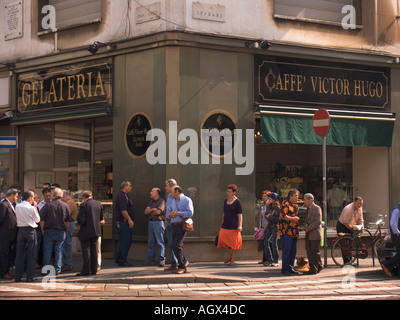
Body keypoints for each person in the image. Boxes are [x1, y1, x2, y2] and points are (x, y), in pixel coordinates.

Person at [39, 188, 71, 275]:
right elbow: (68, 220)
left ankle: (46, 269)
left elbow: (41, 220)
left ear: (53, 195)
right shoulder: (65, 205)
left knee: (47, 250)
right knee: (59, 250)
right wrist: (66, 229)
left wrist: (42, 230)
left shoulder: (48, 205)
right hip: (61, 230)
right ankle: (57, 269)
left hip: (49, 230)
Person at [76, 190, 104, 276]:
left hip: (86, 230)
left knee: (86, 250)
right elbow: (100, 218)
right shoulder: (98, 204)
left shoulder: (84, 204)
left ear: (84, 198)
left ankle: (86, 270)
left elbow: (80, 218)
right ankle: (94, 269)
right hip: (96, 230)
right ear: (91, 196)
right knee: (94, 250)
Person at [14, 191, 41, 282]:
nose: (33, 199)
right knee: (31, 254)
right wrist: (35, 208)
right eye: (33, 197)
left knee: (19, 254)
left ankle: (17, 276)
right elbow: (37, 220)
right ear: (30, 198)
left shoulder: (18, 206)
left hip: (21, 230)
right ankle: (29, 276)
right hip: (30, 230)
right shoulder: (31, 208)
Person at [169, 186, 194, 274]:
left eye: (171, 191)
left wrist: (178, 213)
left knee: (177, 245)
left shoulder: (187, 200)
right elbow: (171, 212)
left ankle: (182, 266)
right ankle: (183, 261)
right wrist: (171, 214)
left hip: (181, 225)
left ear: (177, 191)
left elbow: (190, 212)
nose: (170, 193)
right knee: (174, 245)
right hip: (173, 224)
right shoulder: (172, 201)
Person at [217, 184, 243, 266]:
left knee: (234, 243)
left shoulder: (238, 202)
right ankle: (229, 255)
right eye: (227, 191)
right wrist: (222, 221)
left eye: (229, 191)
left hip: (234, 224)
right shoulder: (226, 201)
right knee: (221, 240)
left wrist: (240, 225)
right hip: (226, 224)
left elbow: (240, 214)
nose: (227, 193)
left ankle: (233, 259)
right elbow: (224, 212)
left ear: (234, 192)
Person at [278, 188, 300, 276]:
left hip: (293, 231)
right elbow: (283, 216)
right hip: (286, 231)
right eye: (295, 196)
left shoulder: (293, 205)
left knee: (293, 250)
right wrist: (293, 219)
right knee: (287, 250)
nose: (297, 198)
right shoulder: (285, 203)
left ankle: (290, 267)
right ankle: (285, 269)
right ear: (290, 196)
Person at [115, 181, 134, 266]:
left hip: (124, 222)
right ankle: (122, 260)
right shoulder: (122, 196)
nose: (131, 187)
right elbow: (123, 210)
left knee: (126, 241)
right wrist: (129, 219)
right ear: (125, 186)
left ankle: (120, 258)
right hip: (123, 222)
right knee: (125, 241)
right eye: (129, 186)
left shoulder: (126, 196)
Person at [144, 187, 166, 267]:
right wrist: (153, 210)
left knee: (160, 242)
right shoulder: (151, 201)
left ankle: (161, 260)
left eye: (152, 191)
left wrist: (151, 210)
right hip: (151, 222)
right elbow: (146, 211)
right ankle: (150, 260)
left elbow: (158, 212)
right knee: (151, 242)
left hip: (158, 223)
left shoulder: (161, 201)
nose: (150, 192)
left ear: (157, 193)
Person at [0, 188, 19, 280]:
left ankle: (6, 271)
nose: (16, 198)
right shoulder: (4, 205)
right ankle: (3, 272)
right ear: (12, 195)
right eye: (16, 196)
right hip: (5, 235)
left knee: (8, 253)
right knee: (4, 253)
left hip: (11, 234)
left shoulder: (12, 204)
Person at [303, 193, 323, 275]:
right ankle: (313, 268)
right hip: (309, 234)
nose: (304, 202)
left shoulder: (316, 208)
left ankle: (319, 265)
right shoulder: (307, 209)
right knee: (309, 252)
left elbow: (318, 221)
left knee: (315, 251)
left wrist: (309, 228)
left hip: (314, 234)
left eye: (305, 200)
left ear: (310, 200)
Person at [164, 179, 179, 272]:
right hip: (169, 221)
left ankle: (181, 261)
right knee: (170, 244)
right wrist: (166, 220)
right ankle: (174, 263)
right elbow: (167, 209)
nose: (165, 188)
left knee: (175, 244)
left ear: (171, 186)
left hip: (175, 222)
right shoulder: (169, 196)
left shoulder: (177, 196)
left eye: (166, 186)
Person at [61, 189, 78, 272]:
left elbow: (65, 215)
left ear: (65, 195)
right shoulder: (69, 202)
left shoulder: (69, 203)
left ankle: (68, 264)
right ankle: (67, 264)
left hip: (68, 224)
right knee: (66, 244)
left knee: (67, 244)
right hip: (69, 223)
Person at [263, 192, 280, 267]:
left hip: (275, 226)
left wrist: (270, 217)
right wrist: (267, 216)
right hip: (269, 226)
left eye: (269, 199)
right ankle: (269, 259)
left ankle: (276, 260)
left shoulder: (278, 207)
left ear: (274, 200)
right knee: (266, 242)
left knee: (273, 243)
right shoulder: (268, 206)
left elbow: (279, 218)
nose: (268, 200)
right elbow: (265, 214)